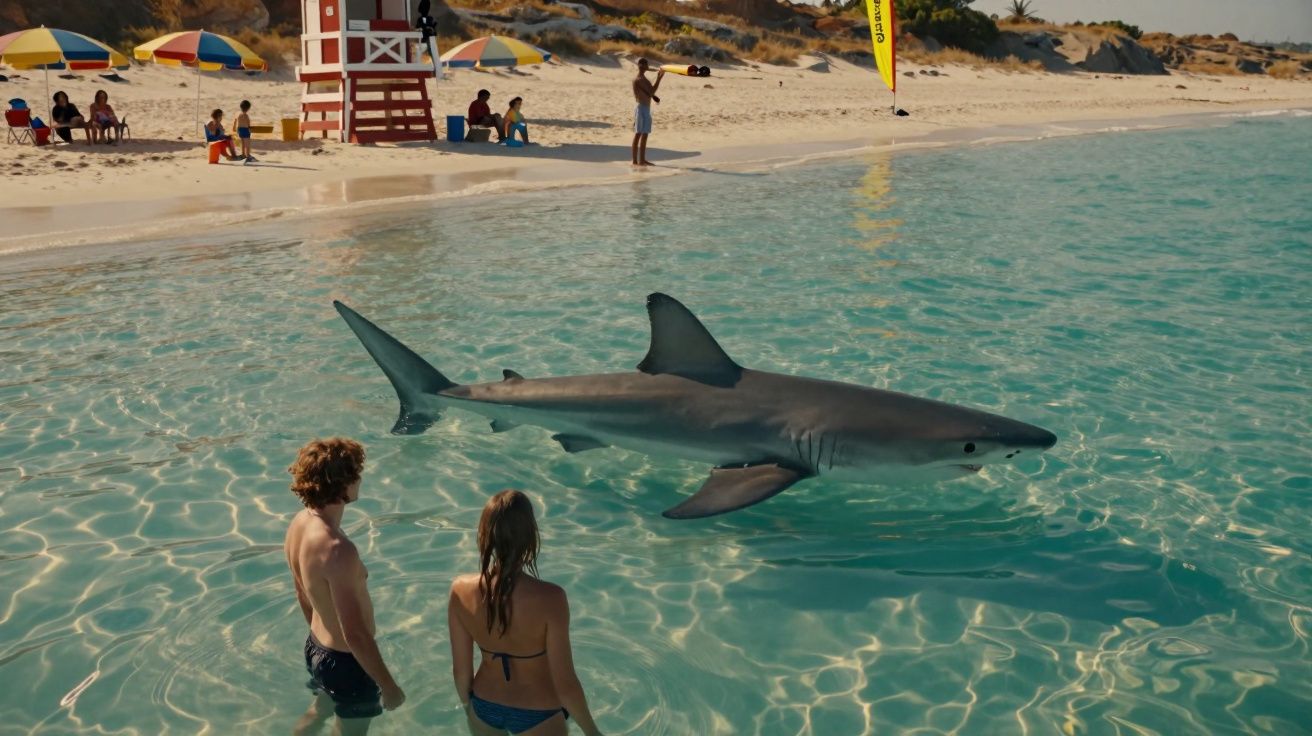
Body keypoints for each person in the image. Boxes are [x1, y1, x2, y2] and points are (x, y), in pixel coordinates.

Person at [448, 490, 602, 736]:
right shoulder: (551, 598)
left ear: (484, 535)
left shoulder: (459, 589)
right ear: (531, 537)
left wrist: (470, 709)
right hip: (539, 712)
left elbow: (461, 673)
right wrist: (593, 732)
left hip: (484, 705)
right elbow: (566, 684)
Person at [285, 438, 406, 736]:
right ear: (344, 483)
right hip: (346, 663)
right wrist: (389, 686)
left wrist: (323, 647)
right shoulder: (338, 550)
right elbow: (355, 634)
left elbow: (302, 592)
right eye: (357, 473)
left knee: (320, 710)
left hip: (316, 648)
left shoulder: (300, 523)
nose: (360, 478)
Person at [631, 58, 664, 166]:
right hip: (641, 108)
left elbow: (652, 91)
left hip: (646, 108)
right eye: (645, 65)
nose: (646, 66)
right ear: (640, 66)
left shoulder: (644, 79)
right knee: (638, 134)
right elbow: (651, 92)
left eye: (646, 64)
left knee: (645, 134)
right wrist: (658, 78)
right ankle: (635, 161)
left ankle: (642, 160)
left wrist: (659, 78)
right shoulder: (638, 79)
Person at [235, 99, 257, 163]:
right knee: (247, 144)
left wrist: (236, 129)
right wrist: (250, 128)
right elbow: (248, 124)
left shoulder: (238, 114)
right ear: (248, 108)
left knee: (243, 144)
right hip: (245, 130)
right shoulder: (246, 115)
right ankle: (248, 156)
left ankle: (243, 154)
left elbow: (237, 123)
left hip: (240, 130)